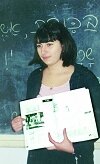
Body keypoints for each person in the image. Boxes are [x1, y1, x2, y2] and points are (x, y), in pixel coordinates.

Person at [11, 20, 100, 164]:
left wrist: (73, 148)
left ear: (63, 45)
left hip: (73, 158)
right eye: (39, 45)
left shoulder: (84, 77)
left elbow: (98, 121)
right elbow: (33, 117)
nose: (43, 51)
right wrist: (20, 123)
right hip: (38, 158)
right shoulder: (34, 77)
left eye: (49, 44)